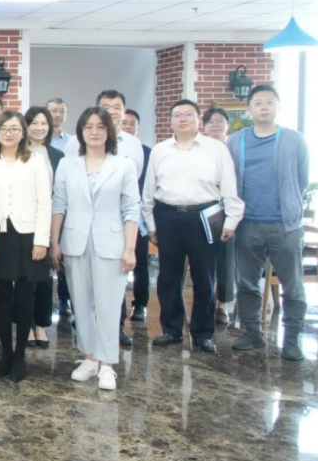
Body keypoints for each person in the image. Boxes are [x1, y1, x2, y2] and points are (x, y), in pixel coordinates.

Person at [142, 99, 243, 354]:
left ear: (198, 119)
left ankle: (203, 333)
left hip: (205, 217)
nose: (183, 119)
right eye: (177, 115)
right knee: (168, 277)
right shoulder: (160, 150)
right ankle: (171, 329)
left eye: (188, 114)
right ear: (171, 121)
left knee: (204, 277)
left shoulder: (216, 149)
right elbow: (149, 192)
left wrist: (231, 220)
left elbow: (229, 187)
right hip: (167, 216)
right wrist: (151, 224)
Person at [50, 107, 140, 391]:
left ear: (109, 131)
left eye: (100, 126)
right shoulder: (68, 164)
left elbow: (131, 209)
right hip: (75, 241)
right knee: (80, 303)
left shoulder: (123, 165)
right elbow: (59, 205)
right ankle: (89, 358)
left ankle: (107, 364)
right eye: (88, 127)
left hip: (111, 243)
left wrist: (130, 248)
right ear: (80, 131)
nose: (94, 132)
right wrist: (54, 242)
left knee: (109, 305)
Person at [226, 86, 310, 361]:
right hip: (247, 223)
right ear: (249, 109)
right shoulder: (235, 141)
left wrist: (289, 208)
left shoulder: (294, 140)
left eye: (270, 102)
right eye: (258, 102)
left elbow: (301, 180)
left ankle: (292, 340)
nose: (264, 107)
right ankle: (252, 333)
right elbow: (229, 181)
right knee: (247, 283)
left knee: (292, 286)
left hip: (285, 226)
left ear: (278, 107)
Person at [0, 111, 51, 383]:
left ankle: (20, 355)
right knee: (1, 297)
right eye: (3, 129)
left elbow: (45, 202)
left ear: (23, 133)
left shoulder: (35, 160)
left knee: (24, 296)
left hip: (28, 236)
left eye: (14, 129)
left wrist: (42, 240)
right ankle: (5, 353)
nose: (8, 133)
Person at [25, 106, 64, 349]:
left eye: (44, 123)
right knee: (24, 278)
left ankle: (40, 324)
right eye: (34, 123)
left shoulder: (57, 155)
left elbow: (60, 194)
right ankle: (25, 324)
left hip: (49, 221)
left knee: (44, 277)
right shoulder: (19, 152)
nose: (39, 128)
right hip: (23, 222)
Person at [64, 90, 144, 184]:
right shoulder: (76, 142)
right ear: (97, 111)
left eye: (117, 107)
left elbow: (134, 176)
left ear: (124, 112)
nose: (111, 112)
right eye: (106, 108)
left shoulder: (134, 143)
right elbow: (67, 174)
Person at [203, 106, 235, 325]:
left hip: (228, 209)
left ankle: (222, 304)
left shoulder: (234, 148)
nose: (215, 125)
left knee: (225, 258)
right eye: (210, 122)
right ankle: (205, 303)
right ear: (204, 127)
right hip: (204, 210)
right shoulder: (200, 149)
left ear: (227, 125)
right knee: (205, 259)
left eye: (220, 121)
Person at [120, 109, 153, 325]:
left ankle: (140, 304)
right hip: (114, 215)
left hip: (137, 215)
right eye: (124, 123)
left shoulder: (147, 152)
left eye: (132, 123)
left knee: (140, 261)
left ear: (137, 128)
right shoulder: (110, 149)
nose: (128, 126)